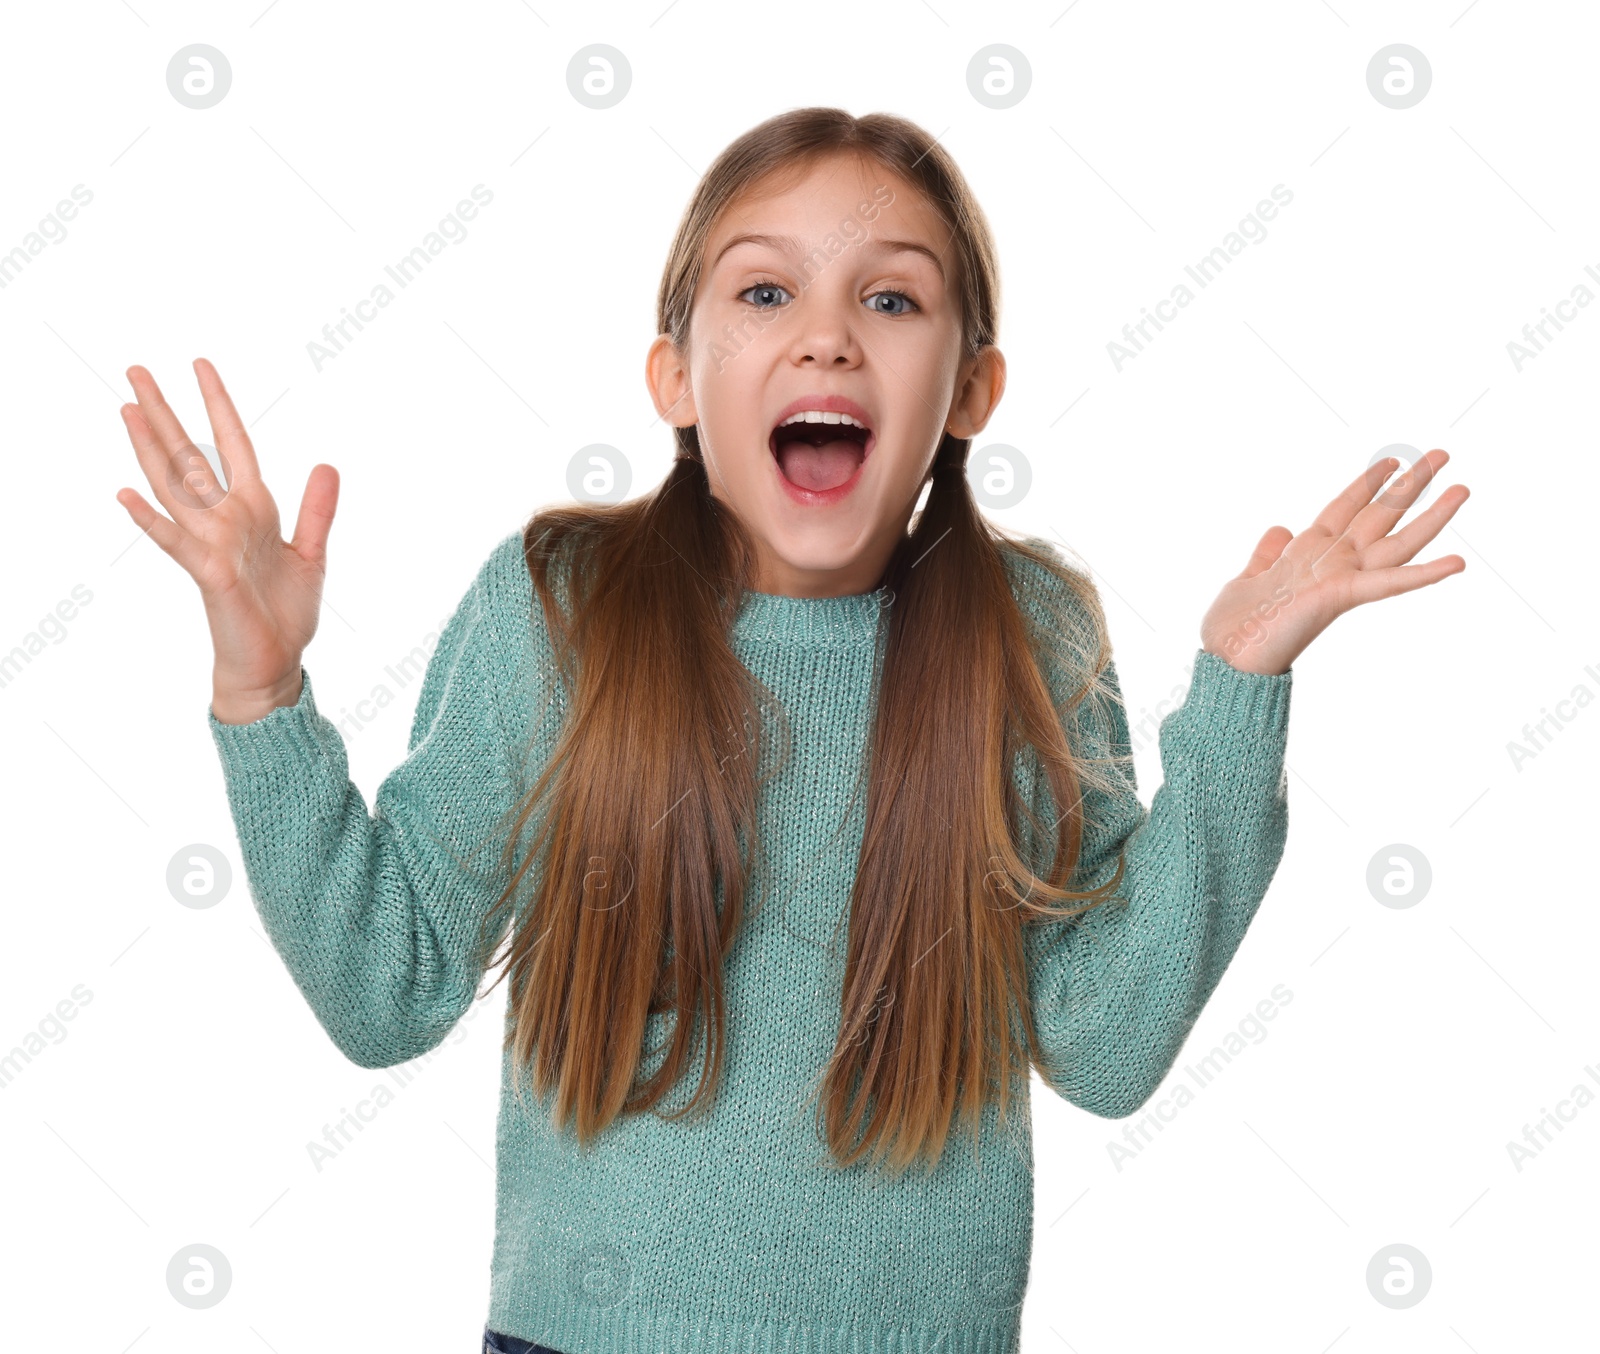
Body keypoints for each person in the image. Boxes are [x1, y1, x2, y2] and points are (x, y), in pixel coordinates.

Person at [114, 107, 1469, 1354]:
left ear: (974, 388)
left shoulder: (1031, 634)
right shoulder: (560, 608)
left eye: (891, 297)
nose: (828, 336)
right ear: (677, 376)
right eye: (766, 291)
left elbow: (1107, 1044)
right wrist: (260, 689)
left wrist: (1237, 690)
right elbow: (386, 987)